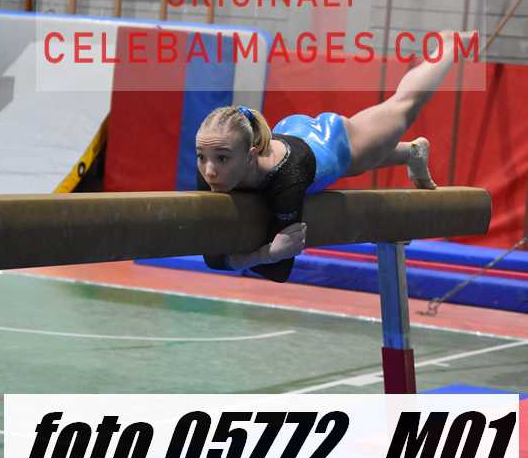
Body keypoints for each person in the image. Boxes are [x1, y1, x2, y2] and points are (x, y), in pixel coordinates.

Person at [196, 30, 471, 282]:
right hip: (293, 134)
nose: (209, 170)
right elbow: (211, 255)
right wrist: (262, 253)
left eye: (222, 158)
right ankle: (411, 152)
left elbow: (277, 270)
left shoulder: (288, 177)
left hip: (334, 140)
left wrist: (266, 255)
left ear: (250, 153)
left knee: (404, 104)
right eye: (201, 157)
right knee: (367, 159)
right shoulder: (215, 163)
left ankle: (449, 46)